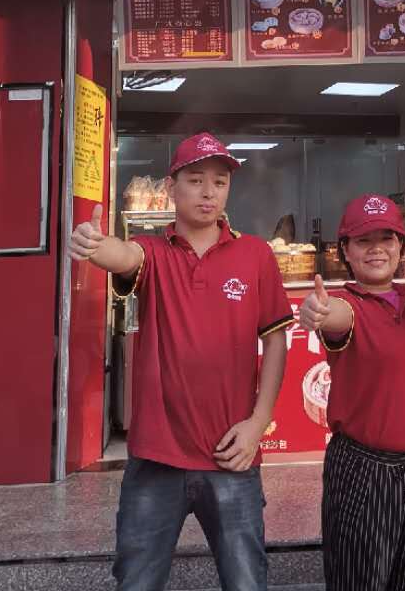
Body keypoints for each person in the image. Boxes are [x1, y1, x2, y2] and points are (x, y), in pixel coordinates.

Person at [69, 132, 291, 591]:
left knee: (247, 582)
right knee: (137, 581)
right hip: (157, 458)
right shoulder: (153, 252)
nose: (208, 192)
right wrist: (95, 244)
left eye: (219, 182)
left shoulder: (255, 255)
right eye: (195, 180)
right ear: (172, 187)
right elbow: (123, 255)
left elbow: (275, 341)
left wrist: (258, 422)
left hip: (231, 455)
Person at [297, 194, 405, 591]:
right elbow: (335, 318)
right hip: (365, 471)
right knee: (359, 581)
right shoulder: (348, 304)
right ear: (345, 250)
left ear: (402, 246)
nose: (377, 249)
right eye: (364, 241)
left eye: (386, 238)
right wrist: (318, 312)